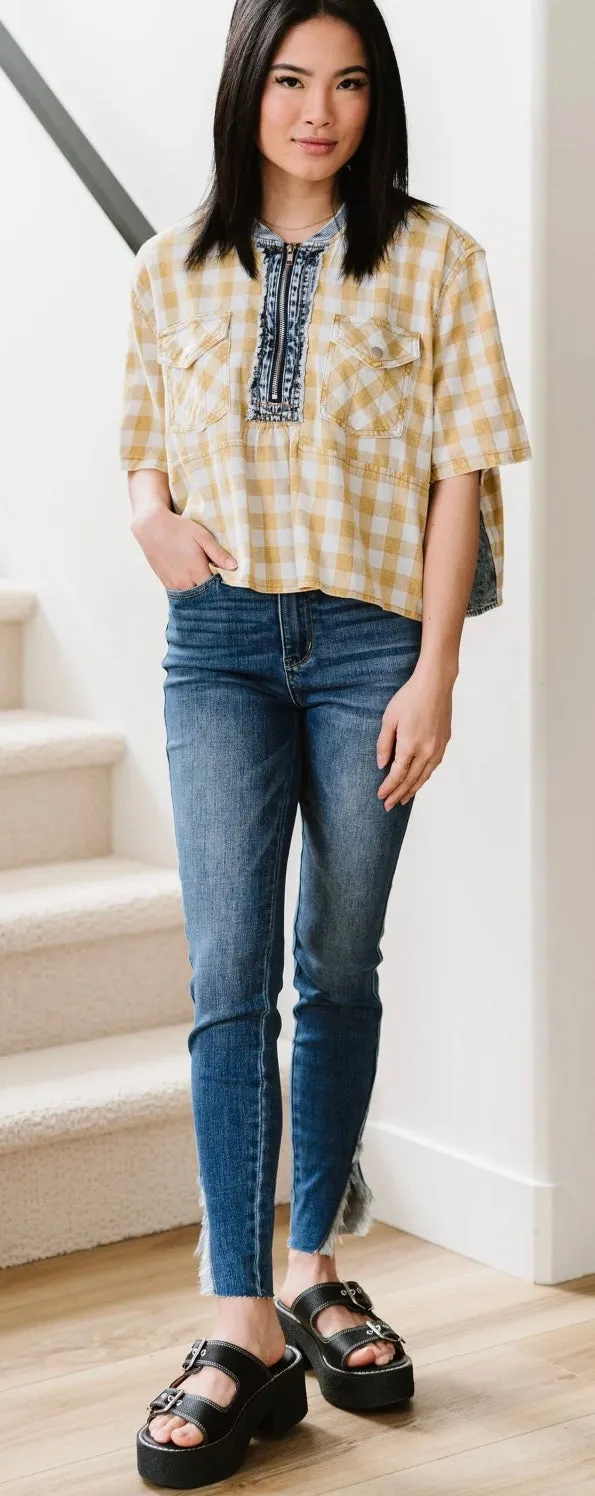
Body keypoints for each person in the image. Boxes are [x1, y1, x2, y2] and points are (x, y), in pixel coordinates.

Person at [120, 0, 531, 1485]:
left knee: (334, 965)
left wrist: (437, 673)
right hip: (219, 648)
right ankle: (238, 1316)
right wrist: (150, 522)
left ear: (376, 100)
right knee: (226, 980)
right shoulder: (170, 264)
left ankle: (309, 1265)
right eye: (291, 78)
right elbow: (143, 447)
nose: (318, 110)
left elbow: (458, 481)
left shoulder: (436, 257)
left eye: (349, 82)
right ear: (248, 87)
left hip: (371, 655)